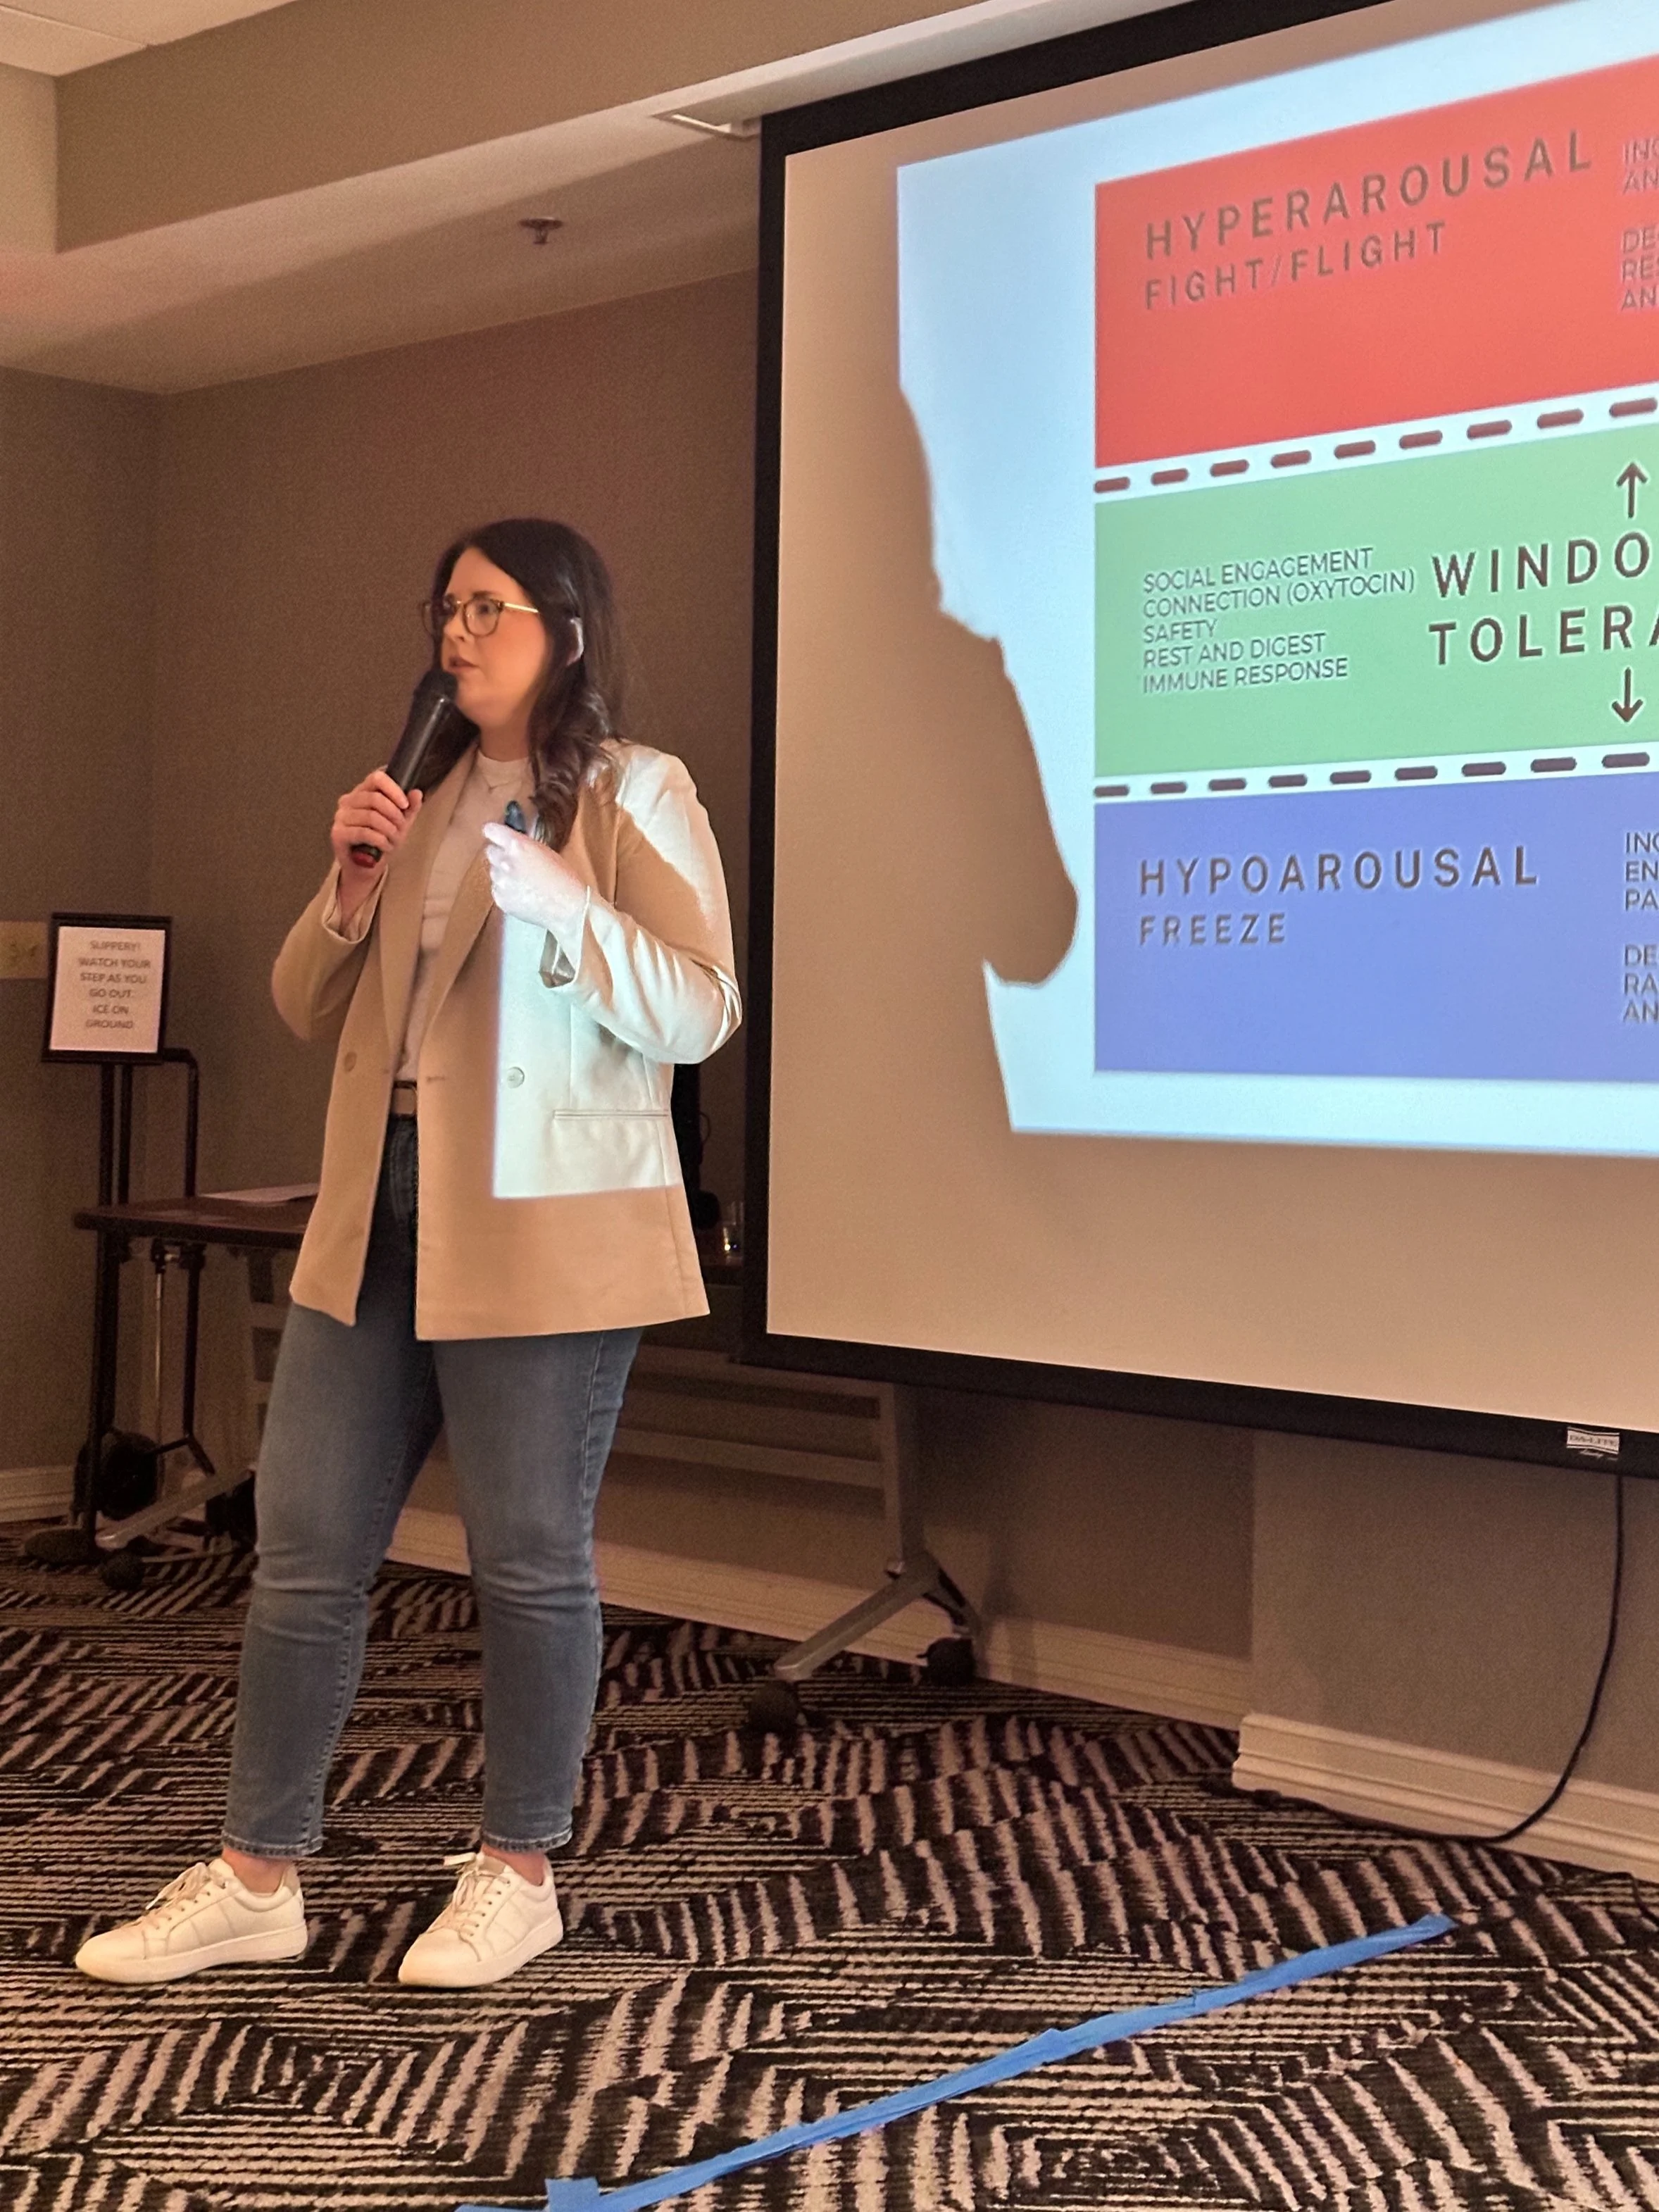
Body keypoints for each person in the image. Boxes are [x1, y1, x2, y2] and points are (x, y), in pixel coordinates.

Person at [77, 518, 741, 1989]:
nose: (455, 632)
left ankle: (518, 1864)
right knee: (304, 1548)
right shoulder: (420, 794)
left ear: (563, 628)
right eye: (445, 606)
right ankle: (259, 1870)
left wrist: (569, 909)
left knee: (524, 1559)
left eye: (487, 607)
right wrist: (347, 887)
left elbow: (702, 1009)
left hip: (544, 1226)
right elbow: (310, 1002)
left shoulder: (637, 791)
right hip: (373, 1206)